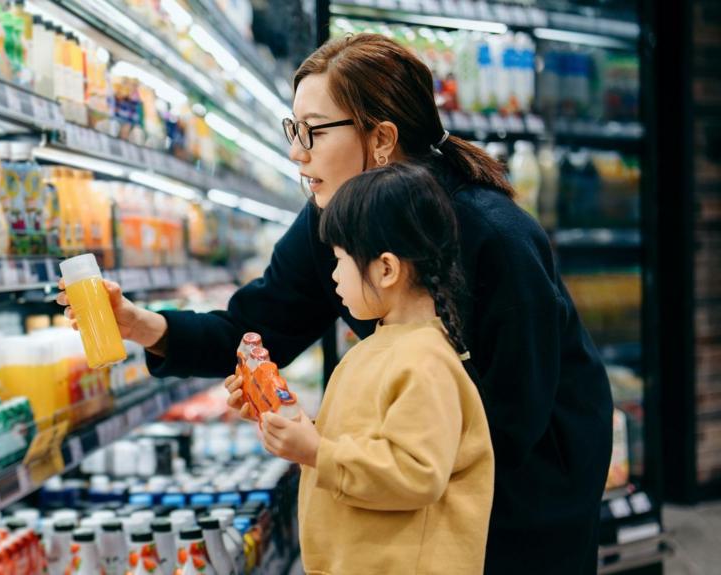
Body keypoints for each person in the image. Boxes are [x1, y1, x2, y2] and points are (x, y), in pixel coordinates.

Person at [58, 33, 612, 574]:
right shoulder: (332, 219)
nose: (297, 152)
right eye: (294, 129)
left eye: (314, 132)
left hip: (531, 490)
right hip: (418, 477)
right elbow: (257, 324)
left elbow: (512, 417)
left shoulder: (496, 237)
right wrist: (141, 324)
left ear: (382, 139)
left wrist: (335, 445)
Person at [257, 163, 494, 574]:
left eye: (340, 261)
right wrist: (296, 424)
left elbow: (416, 472)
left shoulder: (425, 363)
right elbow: (361, 439)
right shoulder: (377, 349)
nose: (333, 276)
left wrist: (316, 452)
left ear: (386, 269)